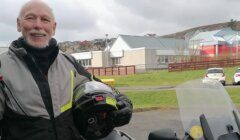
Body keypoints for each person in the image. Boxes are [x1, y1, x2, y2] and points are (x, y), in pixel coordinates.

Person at [0, 0, 132, 140]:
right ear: (19, 24)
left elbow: (94, 83)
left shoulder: (68, 62)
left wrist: (121, 100)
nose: (38, 25)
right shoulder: (2, 67)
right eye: (30, 18)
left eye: (45, 19)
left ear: (54, 27)